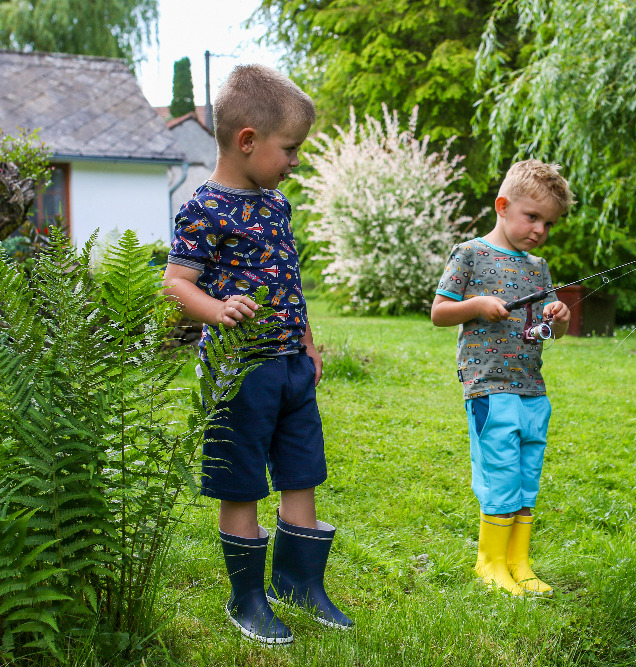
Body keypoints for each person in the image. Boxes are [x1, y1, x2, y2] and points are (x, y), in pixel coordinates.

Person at [162, 65, 352, 645]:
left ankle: (299, 583)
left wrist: (309, 342)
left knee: (302, 470)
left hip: (291, 365)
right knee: (241, 481)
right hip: (238, 370)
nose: (295, 161)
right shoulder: (204, 209)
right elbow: (176, 282)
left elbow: (289, 281)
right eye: (290, 149)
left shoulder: (275, 203)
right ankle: (246, 598)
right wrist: (216, 309)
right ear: (248, 140)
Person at [430, 159, 574, 596]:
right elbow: (439, 312)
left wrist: (560, 316)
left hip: (532, 386)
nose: (539, 230)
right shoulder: (470, 253)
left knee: (528, 472)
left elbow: (554, 329)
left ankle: (519, 562)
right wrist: (477, 305)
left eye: (548, 223)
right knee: (500, 472)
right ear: (502, 205)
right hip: (489, 385)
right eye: (532, 217)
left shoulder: (539, 266)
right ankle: (489, 562)